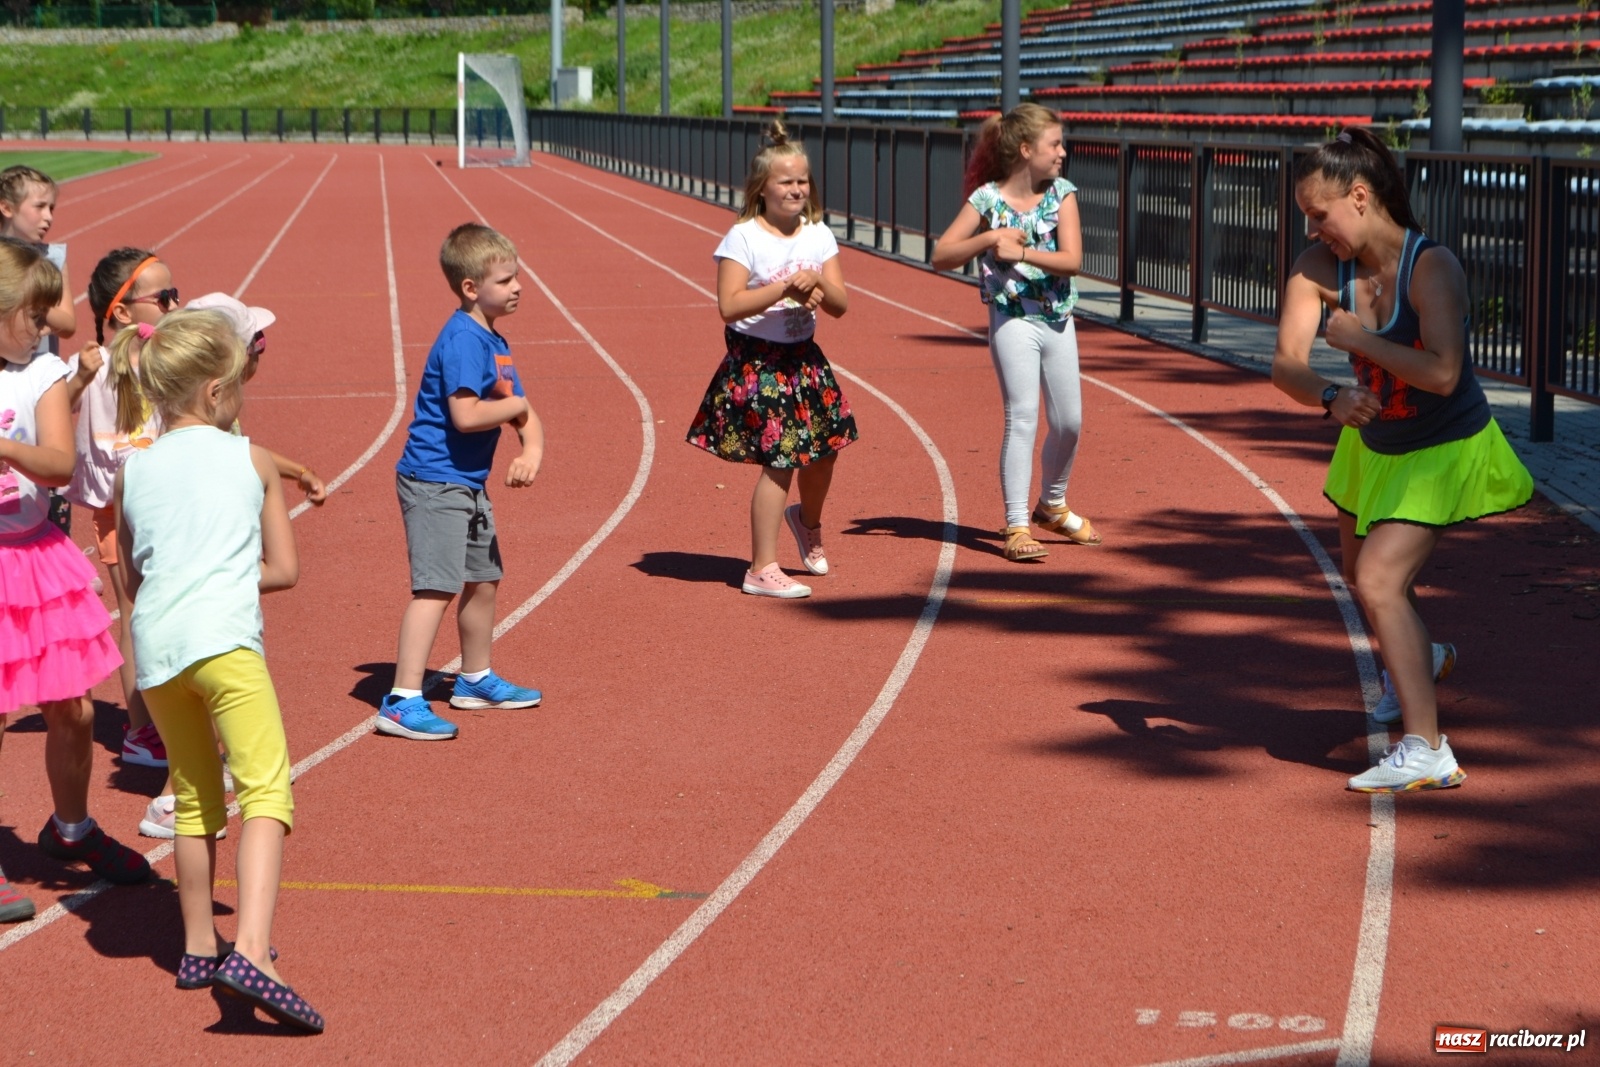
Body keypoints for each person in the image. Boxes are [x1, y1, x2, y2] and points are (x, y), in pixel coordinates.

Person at [1271, 127, 1533, 793]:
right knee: (1364, 573)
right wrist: (1329, 395)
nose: (1313, 228)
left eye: (1319, 213)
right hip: (1373, 444)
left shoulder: (1432, 266)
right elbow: (1286, 364)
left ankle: (1427, 747)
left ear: (1359, 197)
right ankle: (1421, 655)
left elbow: (1444, 372)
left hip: (1444, 445)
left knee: (1382, 579)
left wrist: (1359, 339)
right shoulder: (1317, 267)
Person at [114, 309, 322, 1031]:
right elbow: (285, 571)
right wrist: (229, 576)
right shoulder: (251, 458)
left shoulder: (135, 465)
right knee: (267, 791)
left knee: (195, 793)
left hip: (158, 649)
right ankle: (255, 952)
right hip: (225, 640)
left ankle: (198, 945)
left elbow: (136, 576)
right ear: (213, 393)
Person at [0, 238, 146, 925]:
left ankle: (72, 826)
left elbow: (58, 463)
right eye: (32, 310)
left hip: (34, 554)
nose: (46, 322)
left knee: (75, 708)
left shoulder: (44, 373)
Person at [379, 223, 543, 742]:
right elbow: (468, 416)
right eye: (505, 280)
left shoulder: (492, 337)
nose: (517, 287)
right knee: (435, 587)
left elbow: (519, 408)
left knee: (484, 579)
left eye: (517, 277)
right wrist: (516, 409)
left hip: (467, 482)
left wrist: (532, 447)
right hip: (435, 480)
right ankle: (402, 698)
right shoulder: (464, 341)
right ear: (471, 288)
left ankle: (474, 679)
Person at [686, 119, 854, 598]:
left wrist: (817, 283)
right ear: (762, 188)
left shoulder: (819, 235)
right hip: (757, 362)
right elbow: (730, 304)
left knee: (824, 452)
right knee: (781, 459)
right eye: (787, 181)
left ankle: (807, 519)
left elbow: (840, 306)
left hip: (804, 359)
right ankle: (761, 567)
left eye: (803, 181)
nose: (797, 189)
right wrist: (784, 286)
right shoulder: (743, 237)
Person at [931, 102, 1101, 563]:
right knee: (1023, 416)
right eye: (1055, 144)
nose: (1063, 152)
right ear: (1026, 150)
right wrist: (989, 240)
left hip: (1058, 319)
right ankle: (1017, 525)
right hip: (1012, 320)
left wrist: (1022, 254)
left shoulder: (1062, 193)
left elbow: (1071, 261)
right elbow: (941, 254)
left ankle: (1052, 504)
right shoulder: (987, 199)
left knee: (1069, 422)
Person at [68, 248, 177, 780]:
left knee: (162, 612)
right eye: (164, 297)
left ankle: (164, 723)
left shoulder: (155, 356)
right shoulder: (98, 364)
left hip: (162, 501)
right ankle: (142, 730)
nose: (176, 304)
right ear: (123, 312)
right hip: (125, 509)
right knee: (137, 616)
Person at [1, 165, 91, 533]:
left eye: (52, 208)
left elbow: (67, 322)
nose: (48, 217)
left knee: (40, 464)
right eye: (39, 207)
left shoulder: (52, 257)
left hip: (32, 374)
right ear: (6, 208)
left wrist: (29, 294)